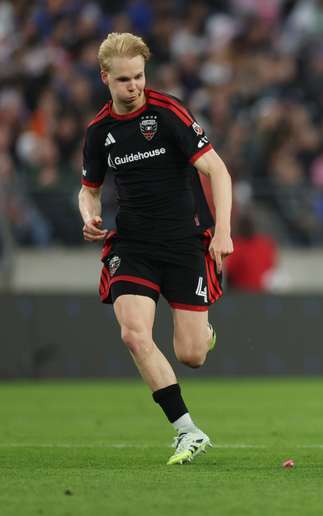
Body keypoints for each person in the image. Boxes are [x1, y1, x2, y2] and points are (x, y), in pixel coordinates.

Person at [78, 33, 233, 464]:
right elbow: (89, 188)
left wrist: (223, 231)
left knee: (191, 355)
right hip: (133, 244)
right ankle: (187, 430)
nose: (134, 86)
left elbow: (218, 171)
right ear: (105, 78)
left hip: (185, 242)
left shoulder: (168, 113)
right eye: (124, 79)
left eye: (139, 77)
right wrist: (88, 215)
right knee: (133, 333)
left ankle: (203, 334)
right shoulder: (99, 131)